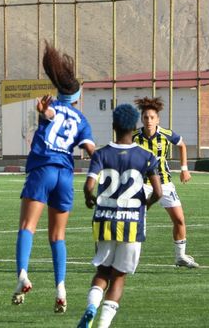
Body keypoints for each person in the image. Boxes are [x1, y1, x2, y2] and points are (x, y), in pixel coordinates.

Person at [12, 41, 96, 313]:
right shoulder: (81, 119)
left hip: (43, 170)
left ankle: (22, 275)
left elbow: (48, 114)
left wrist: (43, 112)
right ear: (77, 97)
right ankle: (61, 288)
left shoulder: (52, 108)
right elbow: (92, 150)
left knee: (27, 227)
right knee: (58, 236)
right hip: (65, 176)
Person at [76, 103, 161, 328]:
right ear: (134, 127)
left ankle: (91, 307)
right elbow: (158, 193)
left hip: (104, 221)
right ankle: (103, 325)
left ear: (113, 125)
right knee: (119, 275)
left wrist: (89, 198)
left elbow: (88, 185)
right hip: (132, 224)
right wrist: (146, 206)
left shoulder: (102, 154)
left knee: (103, 271)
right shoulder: (146, 156)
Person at [132, 96, 197, 268]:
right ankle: (132, 257)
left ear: (158, 119)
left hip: (165, 183)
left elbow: (182, 145)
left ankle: (180, 257)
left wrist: (184, 169)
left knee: (179, 220)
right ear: (142, 119)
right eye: (145, 117)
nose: (148, 120)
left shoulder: (166, 134)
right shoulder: (134, 137)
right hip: (142, 185)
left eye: (152, 117)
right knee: (137, 221)